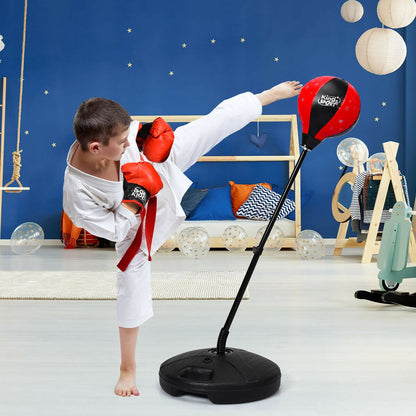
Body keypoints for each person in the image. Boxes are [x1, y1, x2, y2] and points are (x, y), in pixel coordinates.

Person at [62, 80, 303, 397]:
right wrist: (135, 200)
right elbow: (115, 231)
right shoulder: (77, 193)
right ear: (96, 148)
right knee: (130, 287)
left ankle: (266, 96)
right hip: (136, 227)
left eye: (126, 135)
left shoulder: (119, 137)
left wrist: (146, 134)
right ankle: (127, 370)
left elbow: (132, 132)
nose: (126, 141)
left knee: (209, 125)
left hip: (156, 165)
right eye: (121, 142)